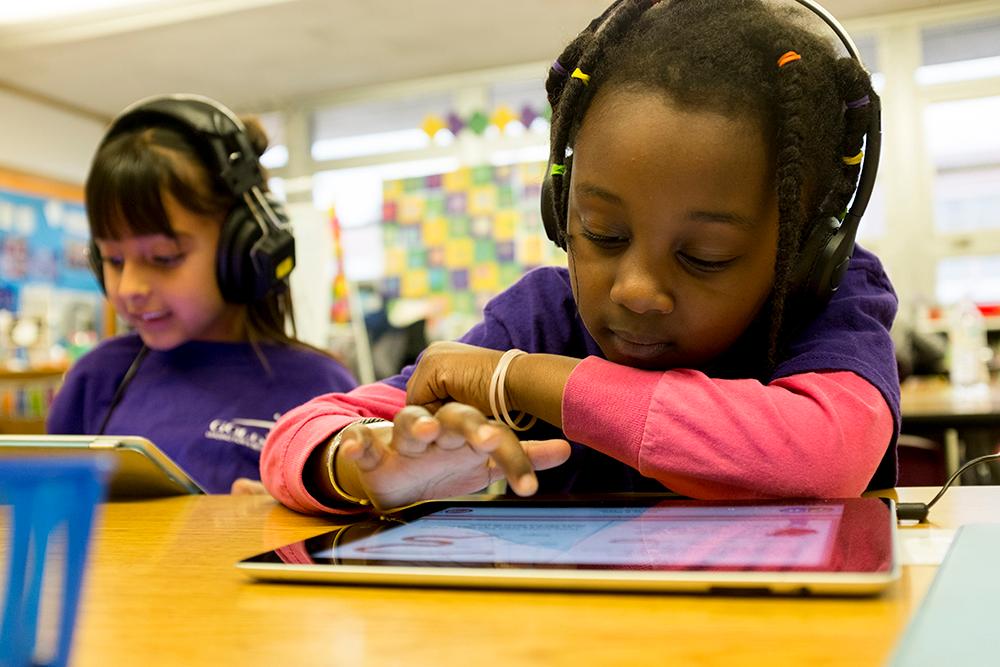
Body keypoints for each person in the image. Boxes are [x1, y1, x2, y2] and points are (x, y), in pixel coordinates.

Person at [261, 0, 900, 515]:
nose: (636, 289)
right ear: (560, 207)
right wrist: (360, 468)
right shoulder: (543, 317)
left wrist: (519, 379)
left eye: (706, 255)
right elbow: (302, 432)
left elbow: (824, 457)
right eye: (603, 233)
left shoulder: (828, 302)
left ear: (807, 253)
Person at [47, 94, 357, 494]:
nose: (129, 289)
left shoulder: (320, 388)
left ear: (245, 249)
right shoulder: (96, 378)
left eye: (164, 257)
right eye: (113, 259)